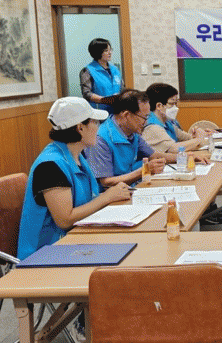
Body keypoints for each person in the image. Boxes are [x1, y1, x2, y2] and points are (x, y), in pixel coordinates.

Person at [17, 97, 132, 260]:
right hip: (47, 253)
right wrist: (107, 197)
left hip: (75, 241)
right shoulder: (50, 166)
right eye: (95, 122)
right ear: (80, 128)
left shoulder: (77, 156)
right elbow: (65, 220)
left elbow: (84, 200)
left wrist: (113, 195)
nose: (98, 128)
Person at [86, 89, 198, 190]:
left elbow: (154, 156)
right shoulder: (101, 140)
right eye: (144, 117)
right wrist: (143, 170)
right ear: (126, 115)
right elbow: (106, 182)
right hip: (113, 197)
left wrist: (187, 157)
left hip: (133, 188)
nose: (146, 122)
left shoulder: (132, 132)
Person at [143, 82, 211, 153]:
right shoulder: (152, 127)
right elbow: (173, 148)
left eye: (176, 103)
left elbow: (184, 137)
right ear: (159, 106)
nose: (175, 108)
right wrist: (198, 139)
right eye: (171, 103)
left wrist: (197, 134)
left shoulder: (167, 122)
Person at [80, 38, 124, 113]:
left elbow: (122, 88)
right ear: (97, 52)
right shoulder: (87, 71)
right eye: (106, 50)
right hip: (99, 112)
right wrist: (105, 100)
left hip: (117, 112)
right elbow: (87, 94)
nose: (110, 53)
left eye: (110, 50)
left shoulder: (115, 69)